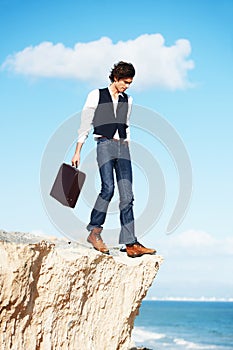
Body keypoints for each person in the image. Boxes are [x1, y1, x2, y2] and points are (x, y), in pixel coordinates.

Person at [72, 61, 156, 258]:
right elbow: (85, 124)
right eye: (125, 82)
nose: (127, 86)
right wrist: (78, 151)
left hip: (123, 147)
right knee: (108, 188)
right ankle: (94, 231)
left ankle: (130, 243)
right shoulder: (96, 95)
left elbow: (126, 125)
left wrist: (127, 143)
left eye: (130, 83)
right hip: (104, 144)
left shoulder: (128, 99)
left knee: (127, 196)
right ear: (116, 78)